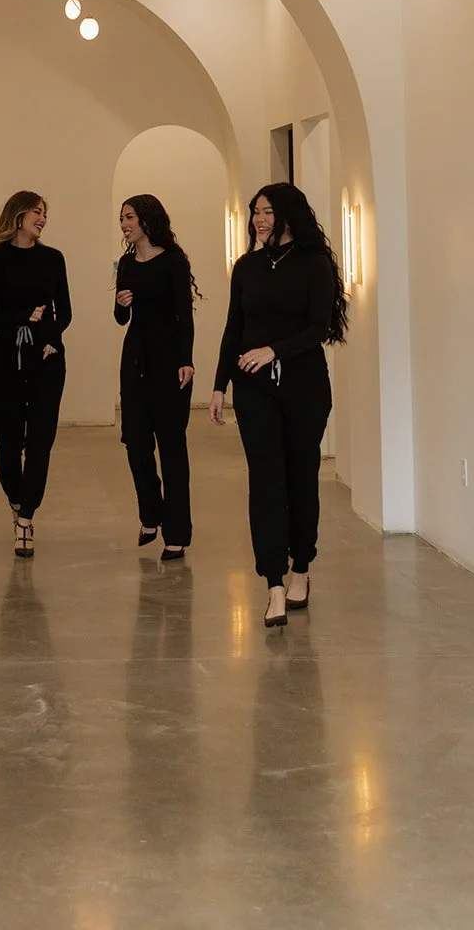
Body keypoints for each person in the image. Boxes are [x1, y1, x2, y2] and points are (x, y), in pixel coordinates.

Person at [209, 182, 347, 629]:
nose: (259, 220)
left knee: (300, 478)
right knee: (265, 482)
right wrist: (218, 385)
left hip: (304, 388)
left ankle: (301, 567)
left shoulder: (314, 263)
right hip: (254, 389)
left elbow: (319, 327)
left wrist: (274, 350)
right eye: (255, 213)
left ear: (288, 214)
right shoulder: (246, 267)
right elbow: (234, 328)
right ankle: (272, 582)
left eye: (267, 211)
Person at [0, 191, 72, 558]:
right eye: (37, 211)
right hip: (5, 357)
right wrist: (19, 318)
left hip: (47, 358)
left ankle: (26, 518)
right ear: (18, 215)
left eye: (44, 213)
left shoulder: (53, 259)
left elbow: (63, 311)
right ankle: (16, 500)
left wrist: (52, 338)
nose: (42, 218)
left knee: (40, 441)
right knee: (8, 444)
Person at [114, 194, 199, 562]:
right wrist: (120, 305)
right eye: (122, 219)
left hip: (169, 362)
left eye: (129, 217)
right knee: (135, 441)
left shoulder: (174, 261)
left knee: (171, 446)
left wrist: (187, 360)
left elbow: (185, 313)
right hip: (134, 360)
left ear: (147, 220)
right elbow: (121, 320)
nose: (124, 225)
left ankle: (176, 533)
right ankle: (150, 515)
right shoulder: (127, 264)